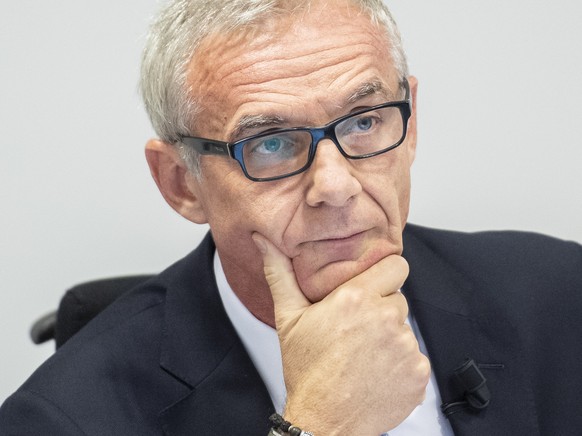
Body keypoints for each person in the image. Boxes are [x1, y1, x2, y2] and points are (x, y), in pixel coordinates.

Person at [1, 0, 581, 434]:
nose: (335, 185)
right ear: (181, 183)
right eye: (271, 143)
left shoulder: (560, 301)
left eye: (363, 121)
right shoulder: (62, 419)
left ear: (411, 122)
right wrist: (318, 426)